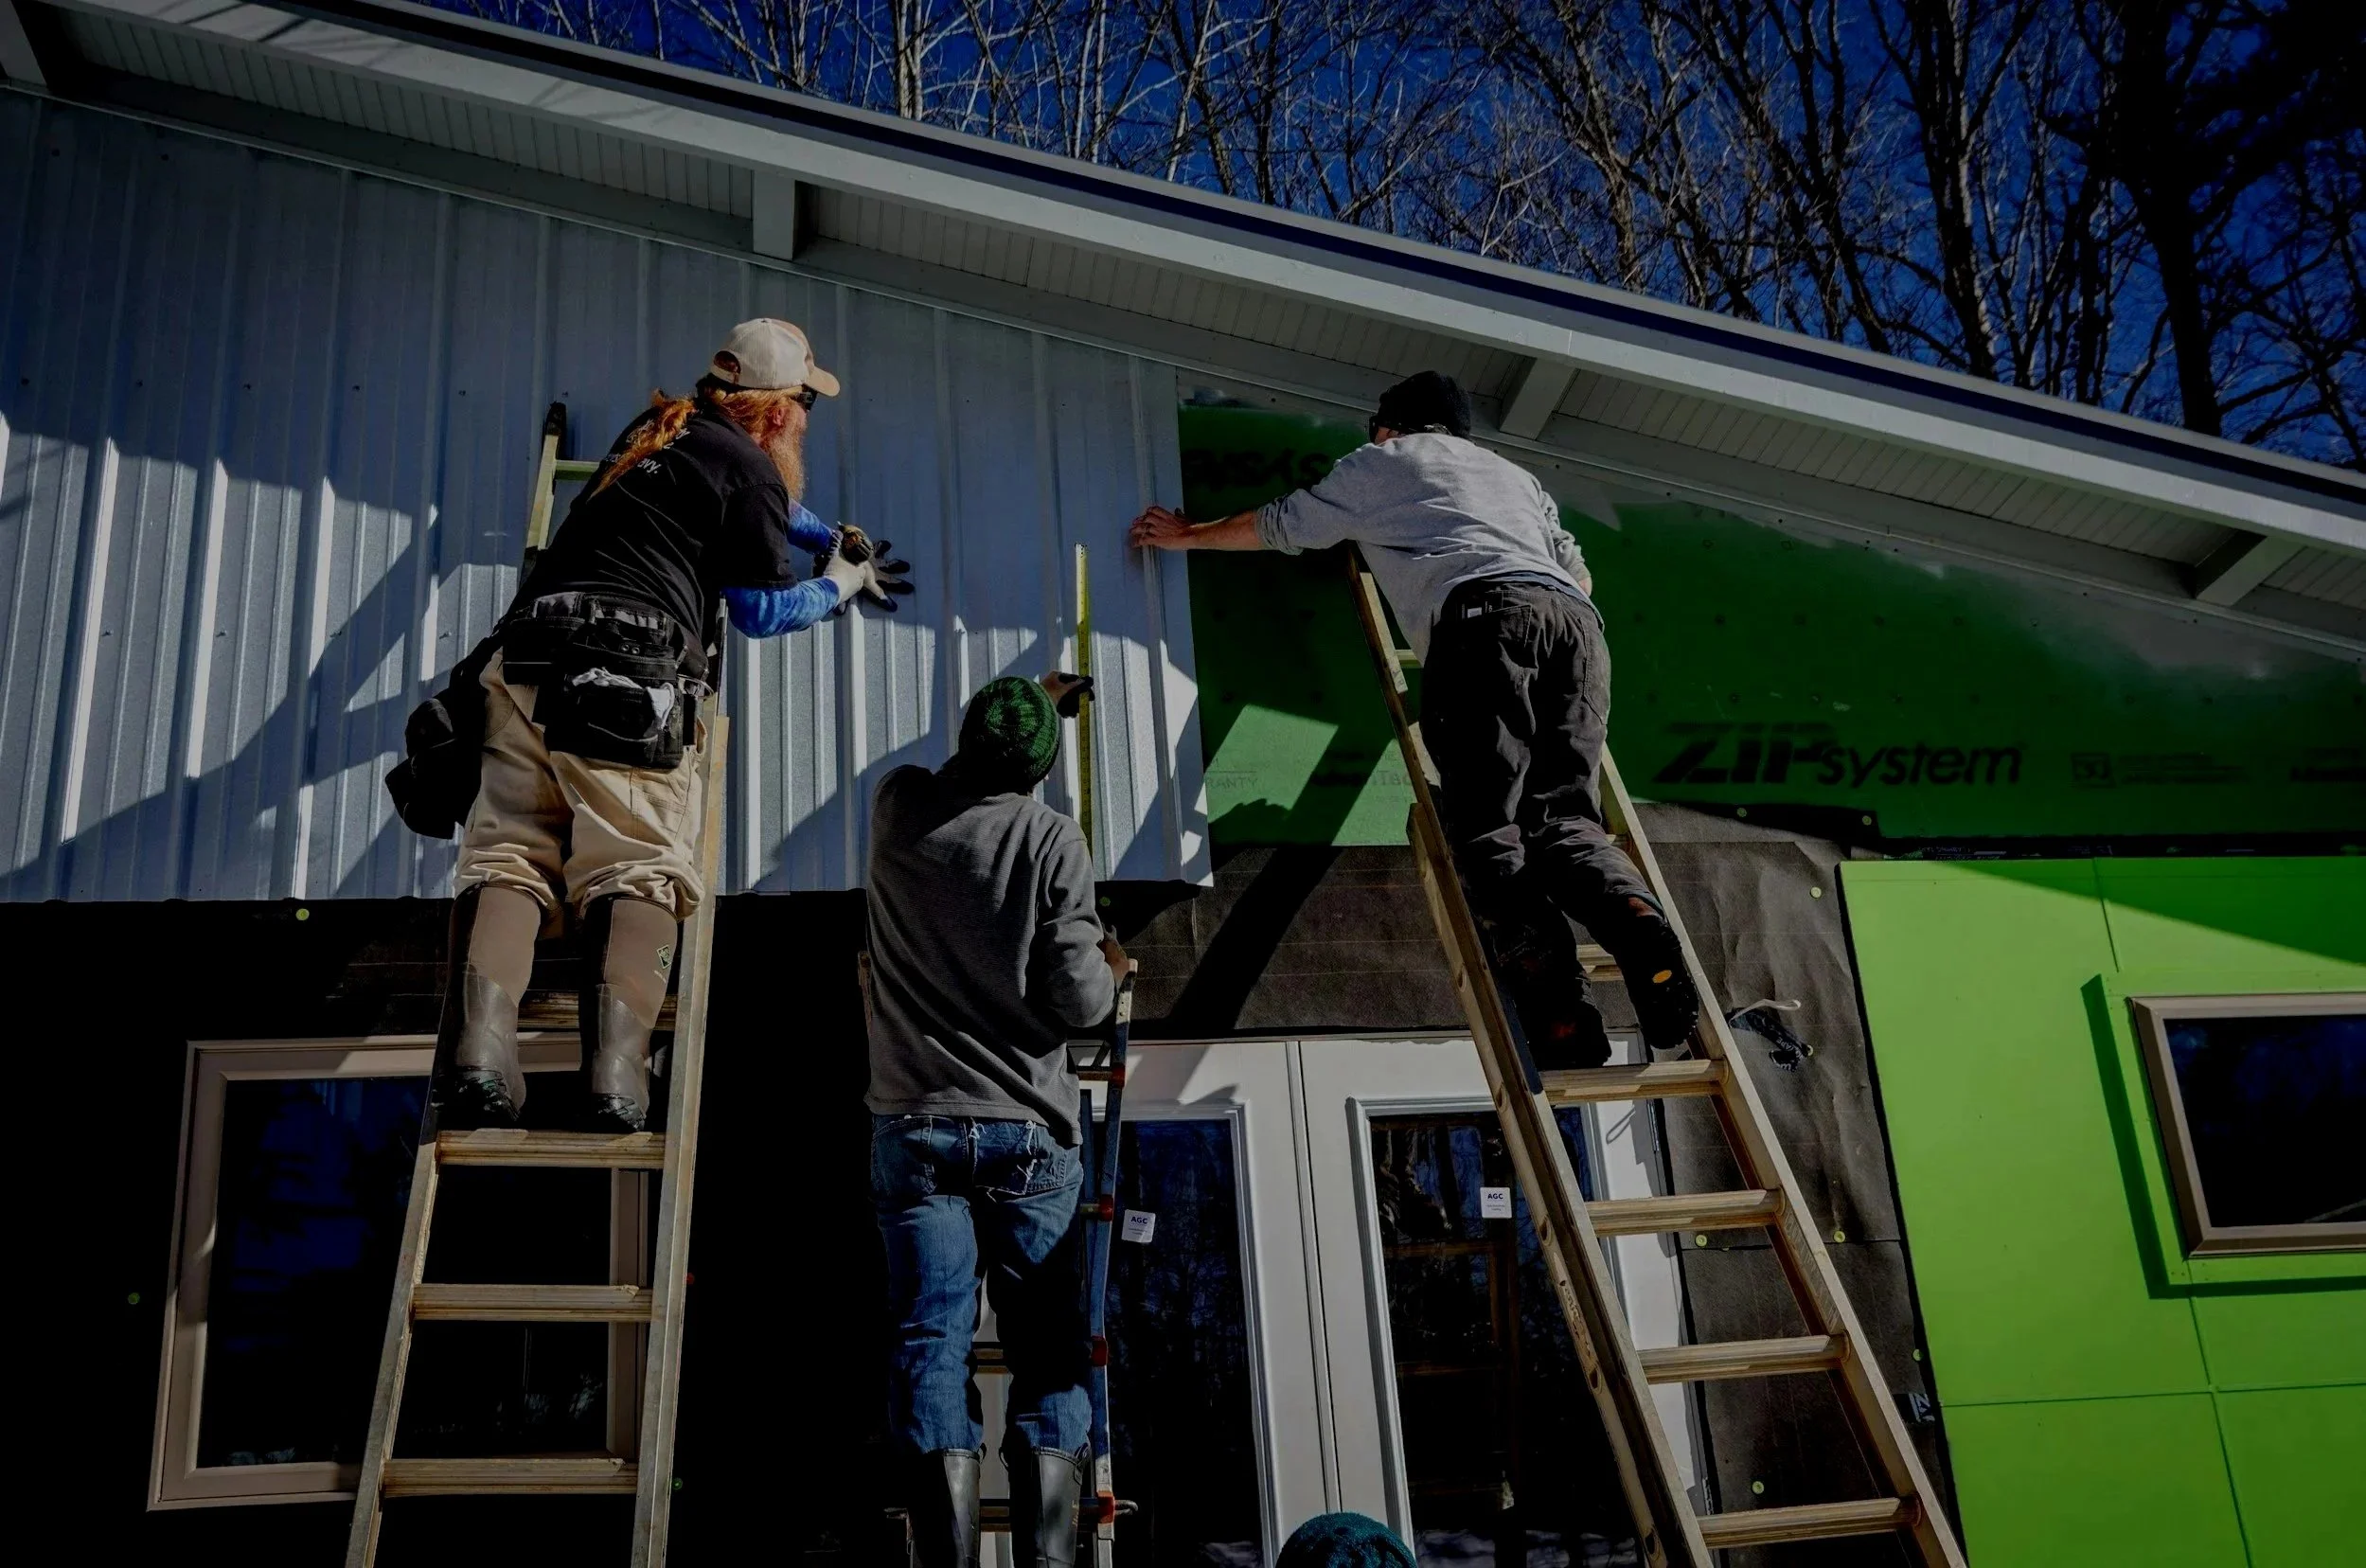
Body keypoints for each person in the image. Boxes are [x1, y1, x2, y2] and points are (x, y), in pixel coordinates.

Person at [1127, 370, 1699, 1063]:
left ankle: (1559, 1016)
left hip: (1484, 622)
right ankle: (1635, 920)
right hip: (1577, 629)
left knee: (1489, 829)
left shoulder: (1385, 462)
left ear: (1391, 425)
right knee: (1564, 818)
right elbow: (1578, 576)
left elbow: (1286, 524)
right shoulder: (1514, 477)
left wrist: (1188, 536)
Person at [434, 317, 913, 1133]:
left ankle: (480, 1060)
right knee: (638, 866)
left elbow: (753, 500)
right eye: (803, 403)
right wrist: (838, 582)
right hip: (626, 674)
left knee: (509, 857)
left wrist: (826, 533)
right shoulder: (753, 473)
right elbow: (759, 610)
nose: (806, 418)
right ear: (771, 412)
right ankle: (615, 1081)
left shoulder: (658, 431)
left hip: (525, 659)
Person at [864, 673, 1132, 1568]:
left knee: (929, 1336)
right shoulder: (1053, 838)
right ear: (1042, 769)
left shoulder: (898, 808)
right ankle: (1049, 1558)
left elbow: (963, 773)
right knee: (1049, 1347)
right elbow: (1078, 1000)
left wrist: (1030, 708)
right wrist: (1111, 969)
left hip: (916, 1123)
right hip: (1026, 1129)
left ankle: (945, 1554)